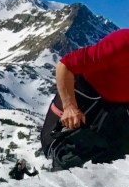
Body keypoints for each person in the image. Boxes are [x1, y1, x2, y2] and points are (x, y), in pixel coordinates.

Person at [41, 28, 129, 170]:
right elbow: (64, 65)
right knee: (70, 160)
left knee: (117, 165)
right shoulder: (123, 43)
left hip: (114, 112)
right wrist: (69, 106)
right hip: (82, 103)